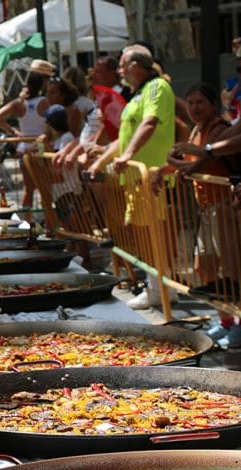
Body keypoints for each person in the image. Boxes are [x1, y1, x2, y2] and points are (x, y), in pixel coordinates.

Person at [88, 44, 177, 310]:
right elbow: (123, 137)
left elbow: (149, 124)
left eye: (122, 65)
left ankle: (161, 289)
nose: (119, 71)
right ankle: (156, 287)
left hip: (152, 179)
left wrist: (127, 156)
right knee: (143, 235)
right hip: (136, 179)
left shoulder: (157, 88)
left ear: (136, 67)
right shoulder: (137, 94)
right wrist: (101, 163)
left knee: (154, 235)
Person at [160, 84, 241, 347]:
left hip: (226, 207)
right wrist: (171, 166)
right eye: (191, 102)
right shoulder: (196, 129)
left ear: (212, 105)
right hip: (208, 208)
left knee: (234, 273)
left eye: (200, 103)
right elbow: (190, 166)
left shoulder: (220, 129)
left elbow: (198, 165)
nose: (195, 108)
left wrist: (175, 163)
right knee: (203, 268)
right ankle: (226, 321)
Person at [0, 72, 49, 206]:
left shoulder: (19, 103)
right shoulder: (44, 102)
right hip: (40, 146)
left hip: (23, 147)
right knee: (44, 188)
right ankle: (48, 221)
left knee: (28, 189)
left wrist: (14, 132)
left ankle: (28, 223)